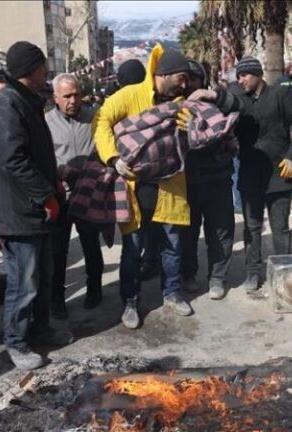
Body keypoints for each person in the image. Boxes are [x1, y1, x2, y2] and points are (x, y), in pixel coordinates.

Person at [0, 41, 72, 371]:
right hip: (17, 211)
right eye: (42, 67)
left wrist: (54, 180)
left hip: (31, 208)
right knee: (24, 281)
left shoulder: (25, 101)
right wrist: (44, 195)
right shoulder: (8, 104)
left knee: (42, 276)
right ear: (30, 70)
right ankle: (16, 342)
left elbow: (33, 156)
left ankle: (40, 330)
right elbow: (14, 160)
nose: (45, 72)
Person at [93, 46, 193, 329]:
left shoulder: (181, 104)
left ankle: (172, 293)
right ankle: (130, 302)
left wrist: (192, 127)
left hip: (170, 187)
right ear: (165, 75)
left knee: (172, 246)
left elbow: (199, 132)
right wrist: (113, 157)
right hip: (134, 189)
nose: (184, 85)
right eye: (181, 78)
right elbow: (101, 120)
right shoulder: (130, 95)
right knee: (132, 249)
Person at [231, 56, 292, 292]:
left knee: (280, 228)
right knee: (252, 227)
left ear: (257, 74)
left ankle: (283, 274)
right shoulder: (239, 101)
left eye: (245, 75)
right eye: (238, 76)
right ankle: (253, 273)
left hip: (279, 173)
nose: (241, 80)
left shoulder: (281, 95)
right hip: (250, 174)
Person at [179, 60, 242, 300]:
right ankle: (188, 275)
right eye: (184, 79)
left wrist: (211, 95)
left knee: (221, 231)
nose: (188, 84)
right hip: (188, 180)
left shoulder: (218, 100)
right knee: (187, 232)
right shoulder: (177, 104)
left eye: (193, 79)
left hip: (218, 177)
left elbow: (239, 105)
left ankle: (217, 277)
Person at [45, 73, 105, 318]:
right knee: (58, 251)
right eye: (67, 96)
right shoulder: (45, 122)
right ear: (56, 97)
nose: (72, 100)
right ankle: (57, 299)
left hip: (89, 194)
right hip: (60, 196)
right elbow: (42, 157)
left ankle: (95, 290)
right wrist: (60, 170)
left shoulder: (94, 118)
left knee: (91, 245)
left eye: (76, 94)